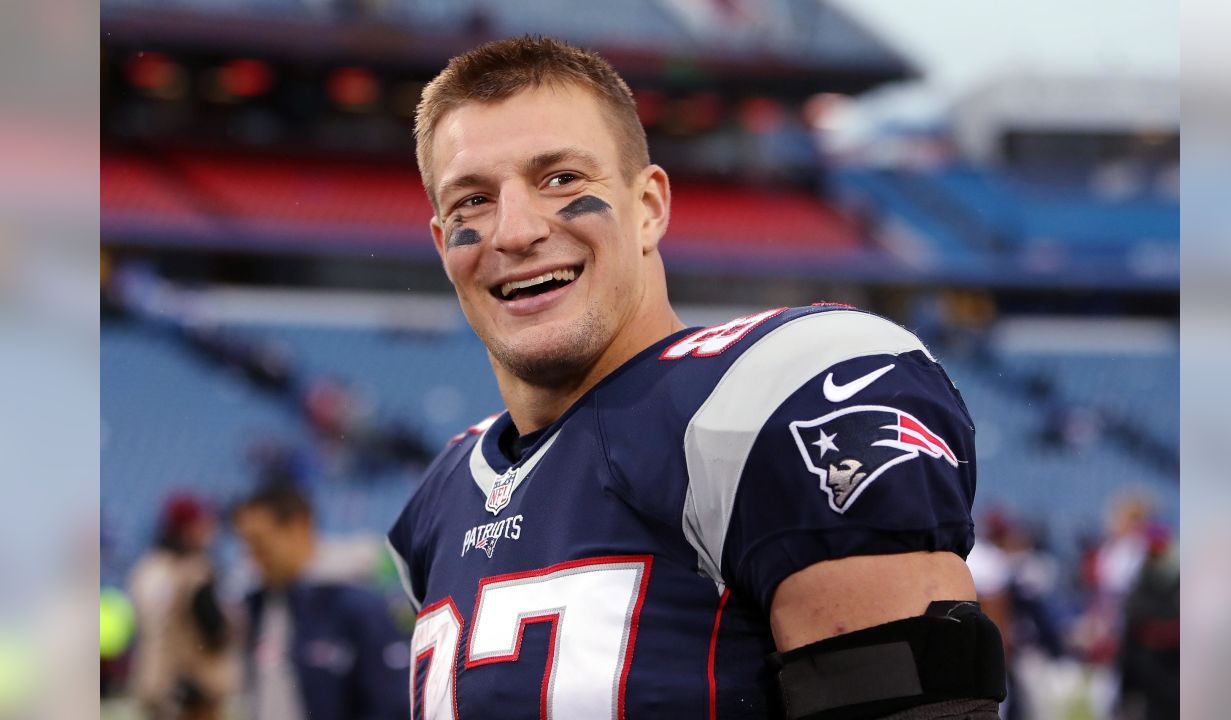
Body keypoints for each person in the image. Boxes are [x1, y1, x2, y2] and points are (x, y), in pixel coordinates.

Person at [388, 36, 1005, 719]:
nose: (514, 230)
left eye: (561, 179)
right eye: (473, 200)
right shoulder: (441, 501)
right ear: (443, 245)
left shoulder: (772, 394)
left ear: (649, 206)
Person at [232, 481, 409, 720]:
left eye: (260, 543)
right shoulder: (256, 607)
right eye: (246, 544)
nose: (252, 557)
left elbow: (392, 703)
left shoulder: (357, 607)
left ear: (299, 528)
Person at [127, 493, 237, 720]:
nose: (209, 530)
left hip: (155, 682)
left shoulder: (147, 568)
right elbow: (214, 629)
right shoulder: (194, 569)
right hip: (193, 685)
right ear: (187, 529)